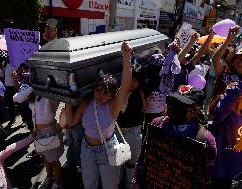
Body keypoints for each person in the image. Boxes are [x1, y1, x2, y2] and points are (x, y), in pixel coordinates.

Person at [64, 41, 132, 189]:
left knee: (110, 185)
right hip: (86, 149)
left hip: (107, 149)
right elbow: (71, 123)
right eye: (97, 90)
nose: (99, 95)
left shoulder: (113, 106)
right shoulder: (86, 103)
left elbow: (125, 86)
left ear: (112, 95)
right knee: (89, 185)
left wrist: (126, 57)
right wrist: (67, 99)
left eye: (105, 93)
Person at [133, 85, 217, 189]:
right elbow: (143, 157)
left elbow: (205, 179)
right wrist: (136, 181)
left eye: (181, 105)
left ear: (195, 110)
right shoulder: (157, 124)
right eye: (173, 102)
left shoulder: (206, 140)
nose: (174, 107)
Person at [210, 25, 242, 189]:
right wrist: (229, 39)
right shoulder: (225, 74)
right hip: (218, 125)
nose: (240, 62)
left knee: (231, 168)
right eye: (237, 59)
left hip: (236, 131)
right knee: (214, 162)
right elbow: (215, 59)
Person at [116, 67, 145, 189]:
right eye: (130, 79)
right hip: (117, 132)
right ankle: (119, 183)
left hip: (133, 132)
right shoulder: (117, 92)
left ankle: (129, 185)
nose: (132, 83)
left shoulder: (141, 94)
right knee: (118, 162)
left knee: (132, 163)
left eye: (136, 80)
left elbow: (144, 109)